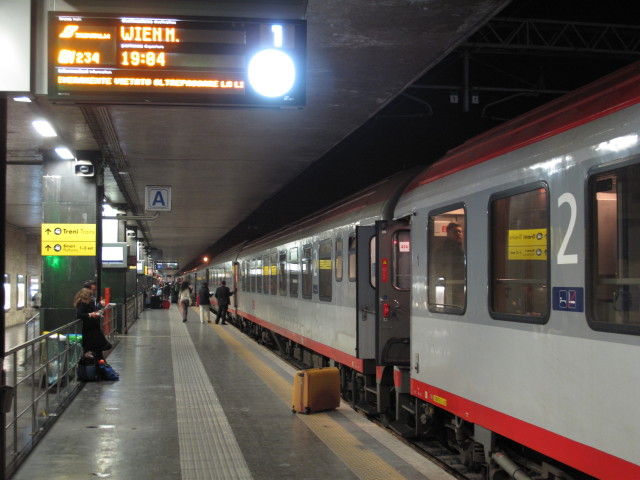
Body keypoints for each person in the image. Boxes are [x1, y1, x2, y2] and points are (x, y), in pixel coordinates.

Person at [73, 286, 110, 364]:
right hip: (90, 330)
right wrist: (90, 314)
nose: (91, 297)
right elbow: (79, 315)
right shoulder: (82, 304)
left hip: (92, 329)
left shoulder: (88, 303)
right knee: (96, 350)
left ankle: (101, 367)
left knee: (97, 351)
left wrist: (95, 313)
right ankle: (101, 367)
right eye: (90, 296)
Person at [432, 222, 465, 307]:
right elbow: (439, 269)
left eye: (460, 231)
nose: (458, 234)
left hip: (460, 286)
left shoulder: (463, 248)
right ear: (448, 233)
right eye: (455, 231)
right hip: (451, 286)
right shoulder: (443, 250)